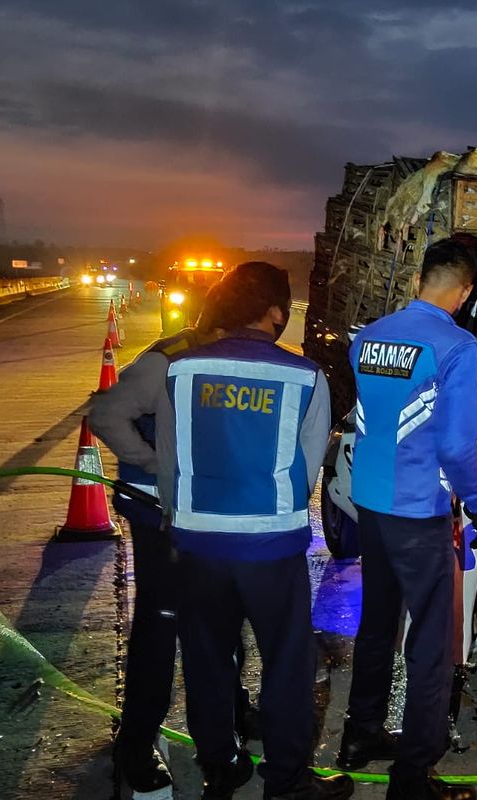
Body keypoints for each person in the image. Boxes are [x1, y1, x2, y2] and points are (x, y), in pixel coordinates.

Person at [90, 262, 352, 800]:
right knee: (286, 663)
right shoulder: (305, 377)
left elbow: (169, 456)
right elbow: (305, 472)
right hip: (270, 546)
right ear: (276, 313)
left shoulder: (180, 368)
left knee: (207, 660)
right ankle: (286, 781)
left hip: (196, 543)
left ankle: (219, 769)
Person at [337, 238, 477, 800]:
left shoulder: (371, 336)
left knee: (377, 623)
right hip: (417, 510)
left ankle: (359, 736)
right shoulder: (455, 344)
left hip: (371, 502)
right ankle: (412, 778)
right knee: (430, 643)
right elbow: (457, 444)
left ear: (417, 281)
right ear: (465, 292)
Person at [91, 305, 260, 798]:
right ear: (221, 325)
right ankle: (136, 744)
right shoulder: (167, 361)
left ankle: (231, 713)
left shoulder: (220, 360)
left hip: (205, 514)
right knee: (161, 628)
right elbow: (105, 414)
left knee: (223, 620)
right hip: (159, 516)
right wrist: (156, 463)